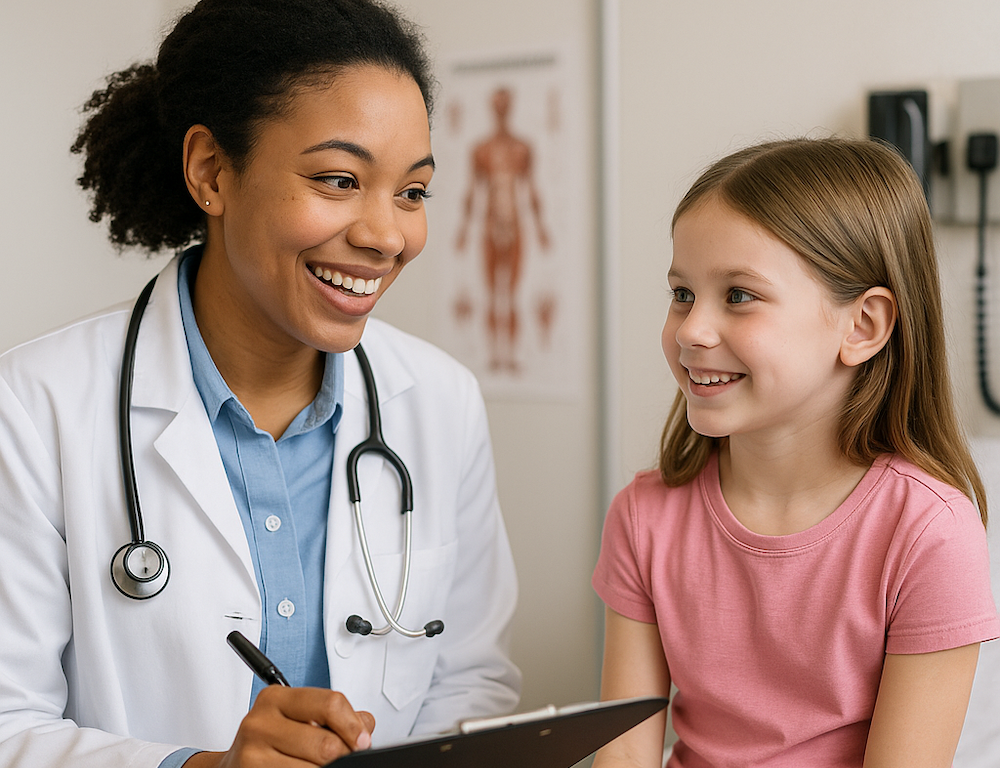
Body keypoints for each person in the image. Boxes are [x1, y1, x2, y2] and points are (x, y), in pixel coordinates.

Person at [0, 1, 520, 767]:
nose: (386, 235)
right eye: (339, 179)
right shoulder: (35, 404)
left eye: (412, 191)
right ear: (212, 172)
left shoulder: (439, 401)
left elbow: (472, 684)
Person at [592, 137, 1000, 767]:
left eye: (738, 296)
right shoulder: (643, 516)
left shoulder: (929, 534)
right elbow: (624, 757)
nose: (693, 331)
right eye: (682, 294)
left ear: (861, 325)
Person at [454, 87, 550, 372]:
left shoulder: (522, 149)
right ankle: (495, 356)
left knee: (512, 295)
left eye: (505, 103)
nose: (501, 108)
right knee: (492, 294)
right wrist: (463, 230)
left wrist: (542, 229)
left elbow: (532, 190)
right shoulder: (480, 150)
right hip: (489, 226)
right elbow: (472, 192)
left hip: (515, 225)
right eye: (497, 103)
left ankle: (509, 356)